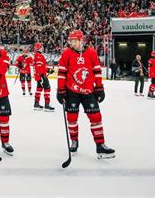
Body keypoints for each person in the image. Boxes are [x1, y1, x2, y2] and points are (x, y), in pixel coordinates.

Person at [57, 30, 115, 159]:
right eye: (71, 41)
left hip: (89, 91)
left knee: (96, 117)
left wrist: (99, 87)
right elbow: (61, 73)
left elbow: (97, 71)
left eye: (75, 41)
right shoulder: (66, 53)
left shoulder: (91, 53)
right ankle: (74, 142)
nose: (72, 43)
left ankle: (100, 146)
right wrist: (61, 90)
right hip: (72, 91)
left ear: (81, 40)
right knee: (72, 118)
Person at [33, 43, 55, 111]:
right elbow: (39, 67)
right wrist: (41, 76)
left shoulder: (36, 55)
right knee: (47, 89)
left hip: (39, 76)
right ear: (39, 48)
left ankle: (36, 104)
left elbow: (41, 67)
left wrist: (48, 70)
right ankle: (47, 105)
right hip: (41, 76)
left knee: (39, 89)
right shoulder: (39, 56)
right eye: (41, 47)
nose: (42, 48)